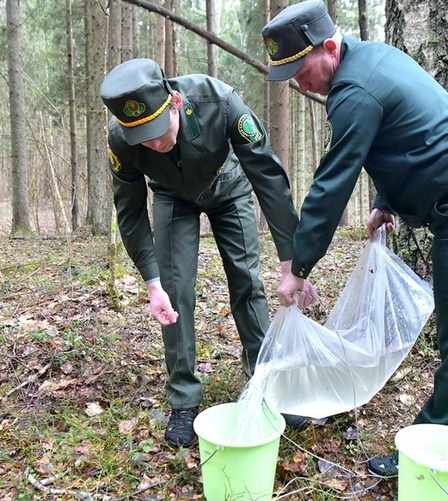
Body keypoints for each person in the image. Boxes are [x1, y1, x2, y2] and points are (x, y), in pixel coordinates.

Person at [261, 0, 448, 476]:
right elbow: (409, 137)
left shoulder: (354, 91)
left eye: (301, 70)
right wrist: (386, 201)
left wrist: (298, 265)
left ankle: (434, 450)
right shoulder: (373, 61)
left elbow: (332, 184)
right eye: (290, 75)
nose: (300, 83)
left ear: (329, 47)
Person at [101, 58, 318, 447]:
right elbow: (129, 212)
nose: (154, 144)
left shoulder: (220, 102)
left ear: (175, 102)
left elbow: (268, 176)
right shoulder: (120, 140)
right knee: (175, 290)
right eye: (143, 138)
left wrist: (291, 259)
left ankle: (266, 383)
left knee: (246, 280)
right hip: (172, 197)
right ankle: (184, 398)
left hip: (229, 188)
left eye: (157, 131)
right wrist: (152, 281)